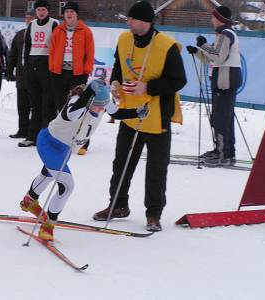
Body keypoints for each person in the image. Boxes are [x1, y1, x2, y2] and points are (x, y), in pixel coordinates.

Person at [92, 1, 187, 232]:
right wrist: (114, 81)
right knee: (121, 163)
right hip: (130, 113)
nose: (129, 22)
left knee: (156, 168)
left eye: (132, 19)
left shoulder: (167, 46)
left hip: (157, 116)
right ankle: (117, 205)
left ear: (145, 21)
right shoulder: (125, 39)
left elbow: (179, 80)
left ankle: (153, 214)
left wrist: (149, 88)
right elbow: (118, 66)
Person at [19, 79, 149, 241]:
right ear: (88, 99)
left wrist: (136, 112)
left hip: (64, 148)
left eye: (103, 106)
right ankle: (49, 225)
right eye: (96, 106)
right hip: (49, 143)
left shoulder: (101, 100)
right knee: (67, 185)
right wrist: (89, 92)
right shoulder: (76, 102)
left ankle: (29, 200)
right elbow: (71, 115)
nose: (100, 110)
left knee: (49, 174)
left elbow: (115, 113)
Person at [186, 5, 242, 167]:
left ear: (220, 19)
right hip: (224, 79)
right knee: (224, 117)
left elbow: (218, 57)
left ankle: (223, 153)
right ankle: (226, 151)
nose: (211, 20)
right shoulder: (223, 35)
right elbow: (212, 58)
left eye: (213, 17)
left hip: (225, 81)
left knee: (220, 117)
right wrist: (197, 52)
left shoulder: (225, 34)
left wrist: (203, 45)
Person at [49, 1, 95, 155]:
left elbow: (90, 53)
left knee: (78, 107)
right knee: (61, 106)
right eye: (66, 11)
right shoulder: (58, 30)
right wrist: (53, 67)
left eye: (72, 12)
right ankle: (64, 139)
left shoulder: (85, 31)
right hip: (59, 73)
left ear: (77, 14)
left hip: (78, 73)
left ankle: (82, 142)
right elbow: (52, 50)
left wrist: (85, 71)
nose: (69, 14)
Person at [19, 0, 59, 147]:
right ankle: (32, 136)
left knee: (48, 105)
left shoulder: (54, 24)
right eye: (38, 10)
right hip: (32, 67)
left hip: (47, 67)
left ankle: (47, 138)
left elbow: (57, 46)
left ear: (48, 11)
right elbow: (27, 46)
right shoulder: (32, 25)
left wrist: (53, 67)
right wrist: (26, 67)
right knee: (34, 104)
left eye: (43, 9)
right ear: (35, 11)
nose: (41, 12)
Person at [7, 11, 35, 139]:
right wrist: (9, 70)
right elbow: (12, 54)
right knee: (22, 105)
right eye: (27, 18)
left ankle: (34, 131)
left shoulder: (39, 35)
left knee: (35, 106)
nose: (28, 20)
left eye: (31, 18)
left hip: (35, 76)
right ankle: (22, 129)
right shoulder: (19, 35)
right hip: (21, 76)